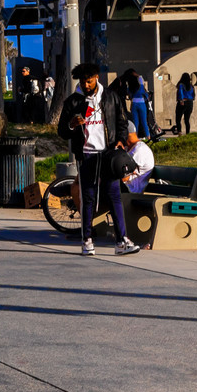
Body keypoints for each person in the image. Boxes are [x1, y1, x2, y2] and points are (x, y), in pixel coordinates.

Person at [57, 62, 138, 256]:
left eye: (89, 81)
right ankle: (87, 241)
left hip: (109, 155)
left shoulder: (111, 97)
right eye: (83, 82)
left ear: (96, 78)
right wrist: (71, 124)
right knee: (88, 198)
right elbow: (62, 131)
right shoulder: (73, 102)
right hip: (87, 155)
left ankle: (121, 242)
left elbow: (122, 122)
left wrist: (120, 141)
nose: (86, 85)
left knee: (114, 197)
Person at [122, 69, 152, 141]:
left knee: (135, 122)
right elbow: (143, 91)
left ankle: (135, 137)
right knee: (144, 121)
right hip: (141, 103)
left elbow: (129, 95)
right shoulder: (140, 85)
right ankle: (148, 137)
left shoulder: (130, 87)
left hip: (134, 104)